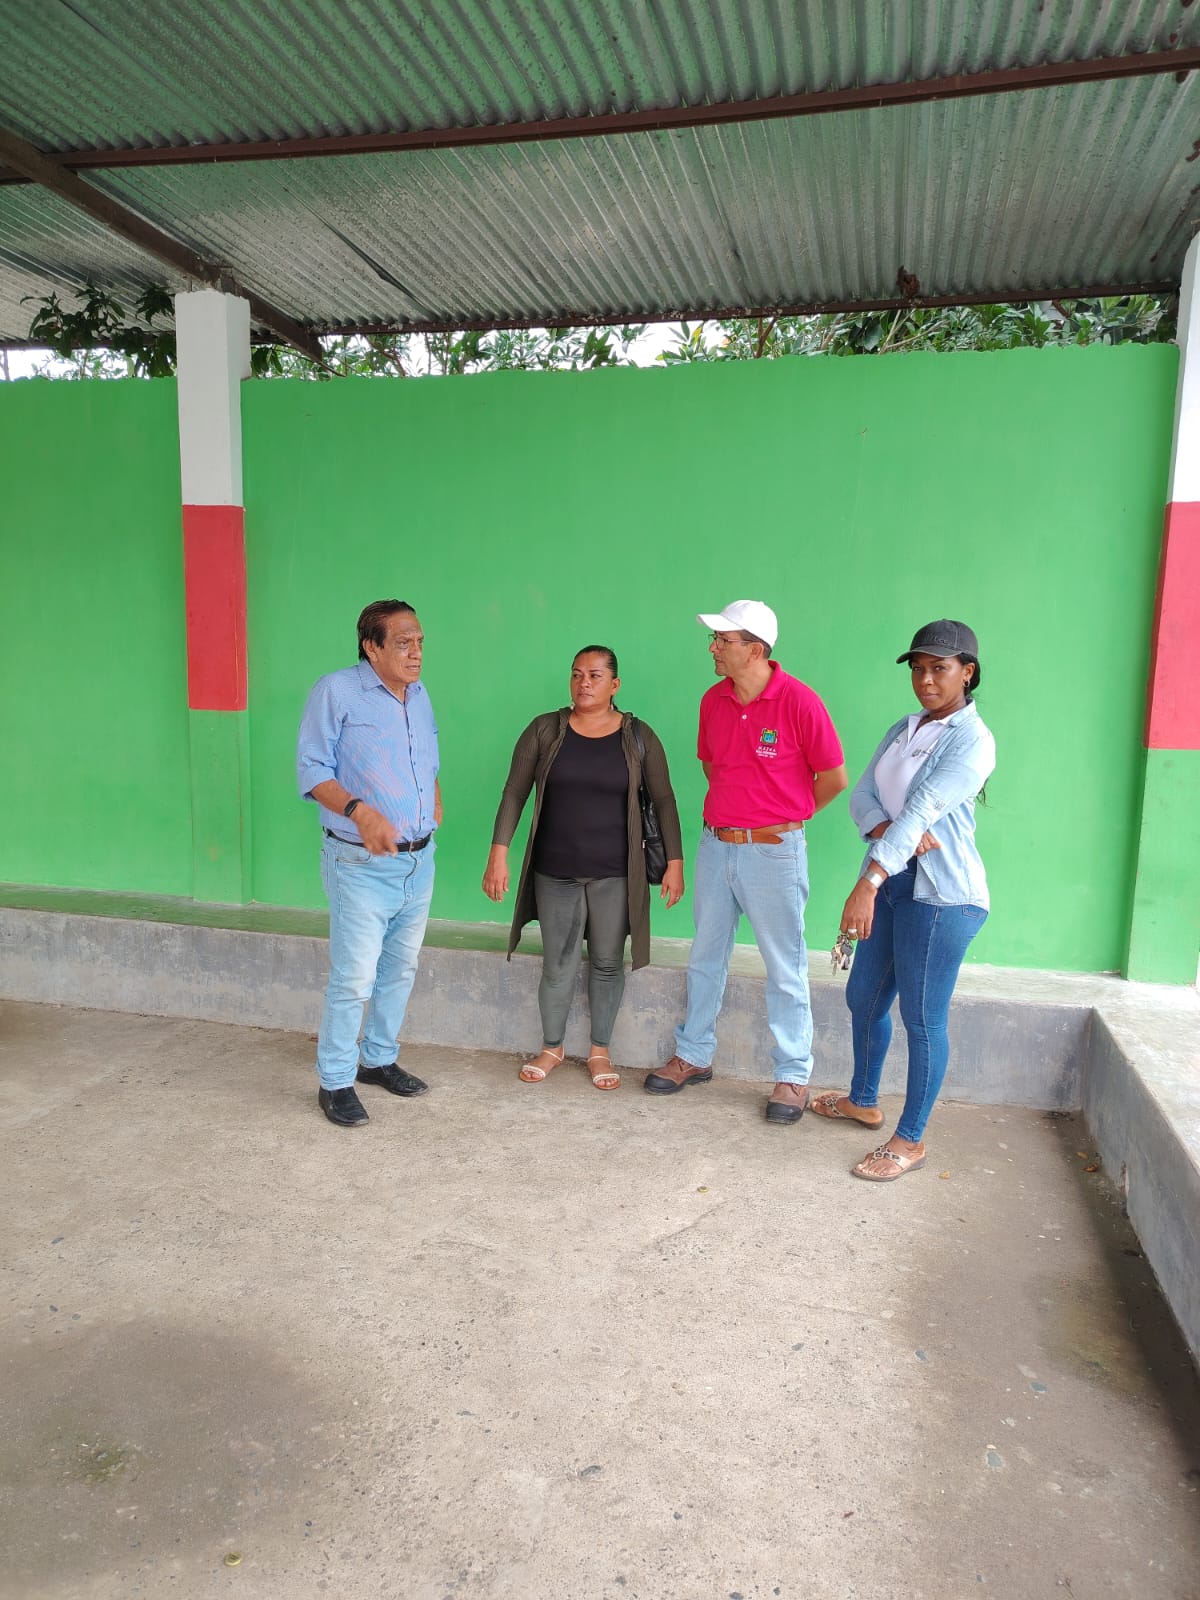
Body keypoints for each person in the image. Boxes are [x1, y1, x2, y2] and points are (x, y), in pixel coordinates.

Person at [645, 601, 848, 1121]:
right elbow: (714, 767)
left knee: (784, 965)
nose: (713, 648)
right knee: (705, 955)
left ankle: (792, 1075)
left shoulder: (800, 702)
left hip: (775, 853)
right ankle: (693, 1054)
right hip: (717, 846)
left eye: (723, 640)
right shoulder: (712, 701)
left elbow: (834, 779)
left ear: (755, 650)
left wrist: (785, 815)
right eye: (714, 639)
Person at [813, 619, 995, 1180]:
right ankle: (863, 1101)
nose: (925, 680)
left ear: (967, 672)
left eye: (939, 668)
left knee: (922, 1018)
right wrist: (885, 833)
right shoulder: (905, 727)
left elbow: (923, 809)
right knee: (864, 998)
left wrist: (867, 882)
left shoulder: (972, 740)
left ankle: (910, 1140)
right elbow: (863, 793)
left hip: (941, 896)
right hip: (894, 880)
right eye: (917, 668)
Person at [483, 646, 684, 1089]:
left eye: (594, 675)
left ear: (615, 685)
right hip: (555, 871)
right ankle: (552, 1047)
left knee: (608, 963)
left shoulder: (639, 737)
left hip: (616, 873)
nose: (584, 683)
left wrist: (675, 862)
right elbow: (514, 791)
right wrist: (499, 853)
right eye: (576, 674)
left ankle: (599, 1051)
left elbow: (664, 799)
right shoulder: (545, 730)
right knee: (557, 964)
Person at [296, 599, 441, 1128]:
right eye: (403, 643)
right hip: (359, 862)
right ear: (372, 647)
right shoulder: (336, 692)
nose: (416, 652)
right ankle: (335, 1081)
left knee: (400, 968)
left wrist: (433, 799)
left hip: (418, 860)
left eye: (420, 641)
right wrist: (359, 812)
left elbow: (426, 756)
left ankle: (378, 1059)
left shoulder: (418, 695)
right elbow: (312, 770)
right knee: (354, 978)